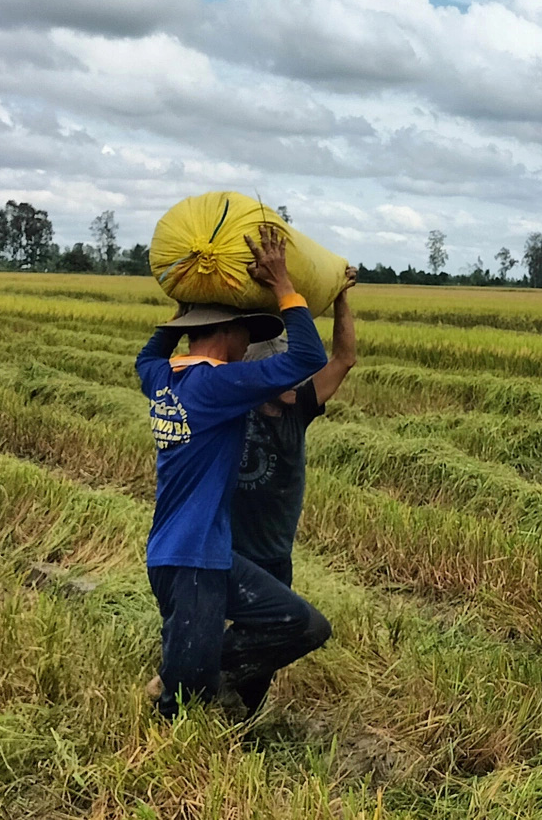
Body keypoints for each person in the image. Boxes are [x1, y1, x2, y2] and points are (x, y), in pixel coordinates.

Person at [135, 226, 332, 718]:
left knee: (303, 624)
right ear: (228, 332)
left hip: (203, 554)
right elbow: (309, 357)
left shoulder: (165, 378)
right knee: (181, 704)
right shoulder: (218, 385)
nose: (249, 344)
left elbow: (146, 356)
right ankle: (180, 692)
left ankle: (190, 668)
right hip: (191, 563)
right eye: (247, 331)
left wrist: (185, 307)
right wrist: (284, 285)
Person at [227, 264, 359, 713]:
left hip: (273, 555)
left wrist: (341, 296)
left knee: (267, 649)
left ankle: (236, 719)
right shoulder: (228, 405)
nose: (293, 382)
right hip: (228, 551)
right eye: (281, 372)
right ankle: (187, 679)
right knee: (206, 630)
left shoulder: (299, 408)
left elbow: (344, 359)